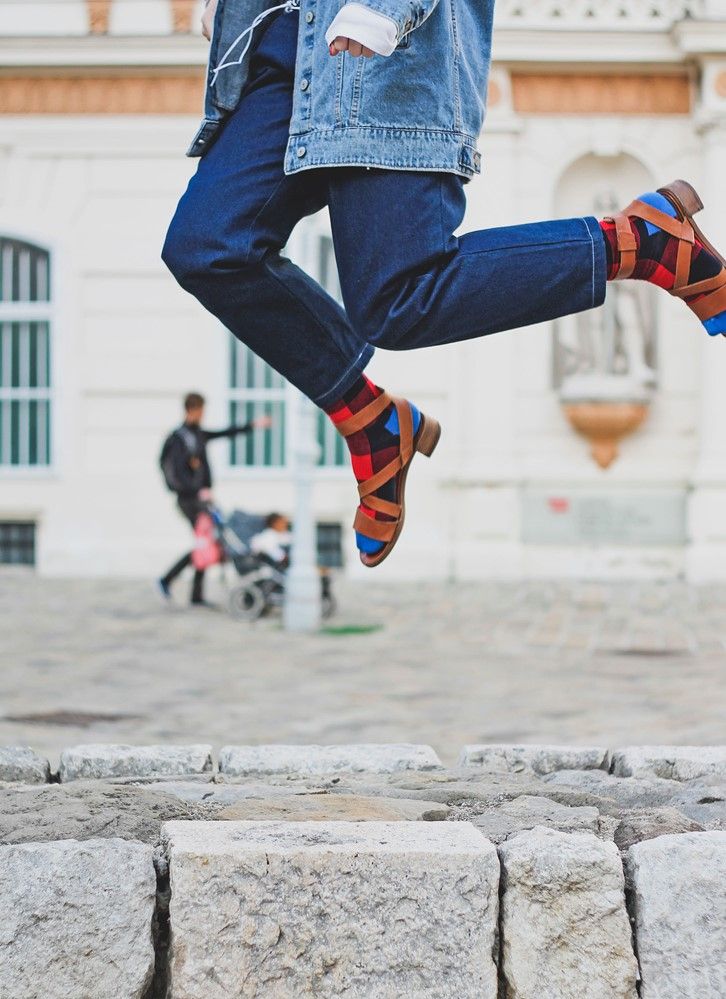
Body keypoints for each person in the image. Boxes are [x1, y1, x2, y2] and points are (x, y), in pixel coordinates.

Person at [163, 0, 726, 569]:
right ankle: (374, 422)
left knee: (400, 298)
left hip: (382, 52)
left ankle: (637, 242)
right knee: (207, 245)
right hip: (283, 45)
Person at [158, 391, 271, 605]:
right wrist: (193, 489)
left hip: (203, 498)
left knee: (207, 543)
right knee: (205, 543)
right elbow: (173, 470)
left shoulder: (197, 434)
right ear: (192, 409)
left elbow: (224, 433)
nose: (203, 415)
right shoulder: (178, 439)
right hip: (190, 500)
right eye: (201, 411)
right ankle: (168, 580)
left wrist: (253, 425)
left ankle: (194, 594)